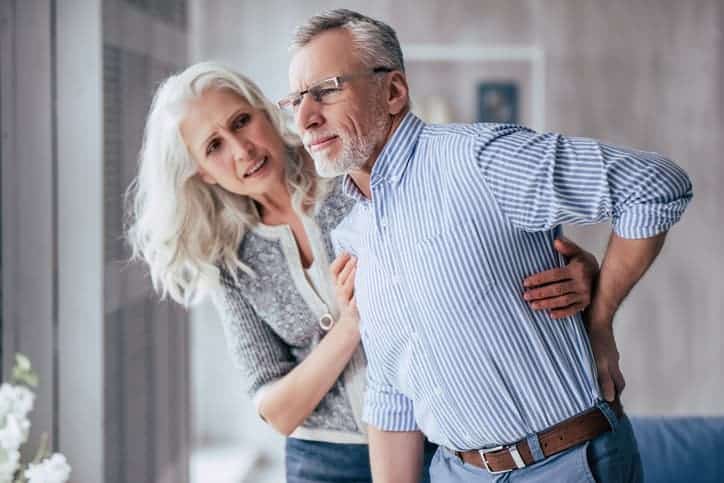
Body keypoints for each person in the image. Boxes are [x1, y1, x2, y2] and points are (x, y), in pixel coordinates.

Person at [125, 62, 601, 482]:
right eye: (214, 146)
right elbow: (278, 411)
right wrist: (351, 325)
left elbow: (487, 246)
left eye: (241, 122)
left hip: (442, 432)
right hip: (324, 460)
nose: (241, 150)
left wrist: (582, 275)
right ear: (202, 172)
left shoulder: (352, 171)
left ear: (265, 111)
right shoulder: (228, 258)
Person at [283, 9, 693, 483]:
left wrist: (599, 321)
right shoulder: (353, 231)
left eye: (327, 90)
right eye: (294, 101)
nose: (305, 118)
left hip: (565, 465)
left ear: (393, 91)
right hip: (456, 472)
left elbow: (654, 185)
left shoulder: (480, 160)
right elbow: (394, 389)